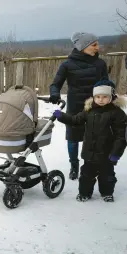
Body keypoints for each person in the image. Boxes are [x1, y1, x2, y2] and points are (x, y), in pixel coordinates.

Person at [53, 80, 126, 202]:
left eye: (104, 97)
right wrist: (62, 116)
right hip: (89, 153)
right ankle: (84, 193)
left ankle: (107, 193)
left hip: (107, 154)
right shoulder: (89, 110)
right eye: (97, 96)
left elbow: (121, 136)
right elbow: (76, 120)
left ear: (111, 97)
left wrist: (115, 154)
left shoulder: (117, 113)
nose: (101, 99)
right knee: (86, 176)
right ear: (93, 97)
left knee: (107, 176)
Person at [49, 32, 109, 180]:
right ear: (83, 46)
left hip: (96, 106)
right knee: (73, 138)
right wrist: (54, 94)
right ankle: (74, 166)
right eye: (94, 44)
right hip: (75, 105)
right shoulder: (67, 65)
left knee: (95, 137)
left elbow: (106, 84)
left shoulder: (100, 64)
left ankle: (90, 166)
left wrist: (110, 96)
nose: (97, 47)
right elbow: (55, 84)